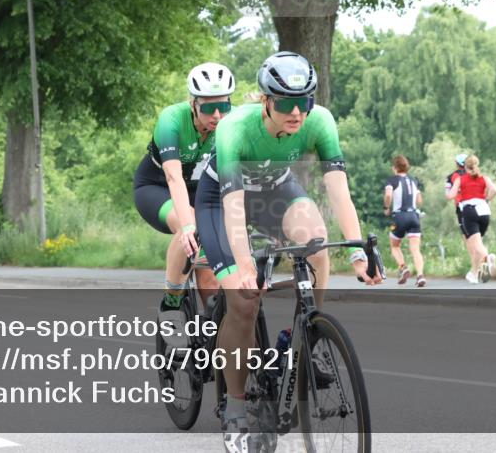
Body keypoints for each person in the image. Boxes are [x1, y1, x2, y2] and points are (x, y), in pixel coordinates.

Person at [194, 51, 383, 452]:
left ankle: (308, 339)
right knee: (243, 299)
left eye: (305, 102)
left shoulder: (322, 121)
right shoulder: (235, 129)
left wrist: (358, 252)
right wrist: (244, 265)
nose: (297, 112)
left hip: (274, 192)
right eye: (285, 103)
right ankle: (236, 408)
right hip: (221, 200)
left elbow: (339, 192)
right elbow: (232, 207)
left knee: (317, 244)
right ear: (266, 100)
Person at [133, 62, 234, 321]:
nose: (217, 116)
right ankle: (172, 303)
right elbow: (174, 177)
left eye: (223, 107)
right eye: (209, 108)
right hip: (158, 187)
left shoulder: (231, 125)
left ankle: (213, 328)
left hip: (202, 190)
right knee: (190, 225)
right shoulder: (172, 120)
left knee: (212, 270)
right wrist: (188, 225)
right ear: (193, 104)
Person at [445, 154, 496, 284]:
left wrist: (450, 189)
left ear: (464, 166)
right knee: (478, 241)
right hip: (484, 211)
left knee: (476, 244)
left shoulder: (461, 179)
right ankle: (474, 274)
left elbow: (450, 196)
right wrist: (486, 200)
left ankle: (488, 259)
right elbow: (495, 191)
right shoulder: (484, 178)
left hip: (470, 211)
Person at [383, 155, 426, 286]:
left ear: (394, 168)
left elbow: (388, 195)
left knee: (395, 246)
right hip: (414, 216)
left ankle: (403, 267)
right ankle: (420, 275)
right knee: (415, 249)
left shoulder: (392, 180)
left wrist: (386, 207)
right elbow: (419, 200)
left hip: (400, 217)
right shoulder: (413, 180)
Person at [445, 153, 468, 227]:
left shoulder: (452, 176)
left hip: (462, 206)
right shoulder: (476, 174)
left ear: (457, 164)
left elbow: (448, 195)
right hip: (479, 206)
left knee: (466, 234)